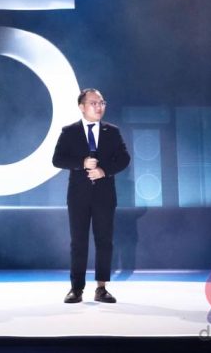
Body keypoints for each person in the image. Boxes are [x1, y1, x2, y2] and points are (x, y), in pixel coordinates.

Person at [52, 88, 130, 304]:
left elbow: (124, 158)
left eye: (102, 103)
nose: (99, 107)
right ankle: (76, 288)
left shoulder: (112, 131)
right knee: (78, 242)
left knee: (104, 240)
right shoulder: (69, 131)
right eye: (94, 103)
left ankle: (101, 288)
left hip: (105, 194)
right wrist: (82, 163)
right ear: (82, 107)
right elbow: (57, 160)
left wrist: (104, 171)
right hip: (78, 195)